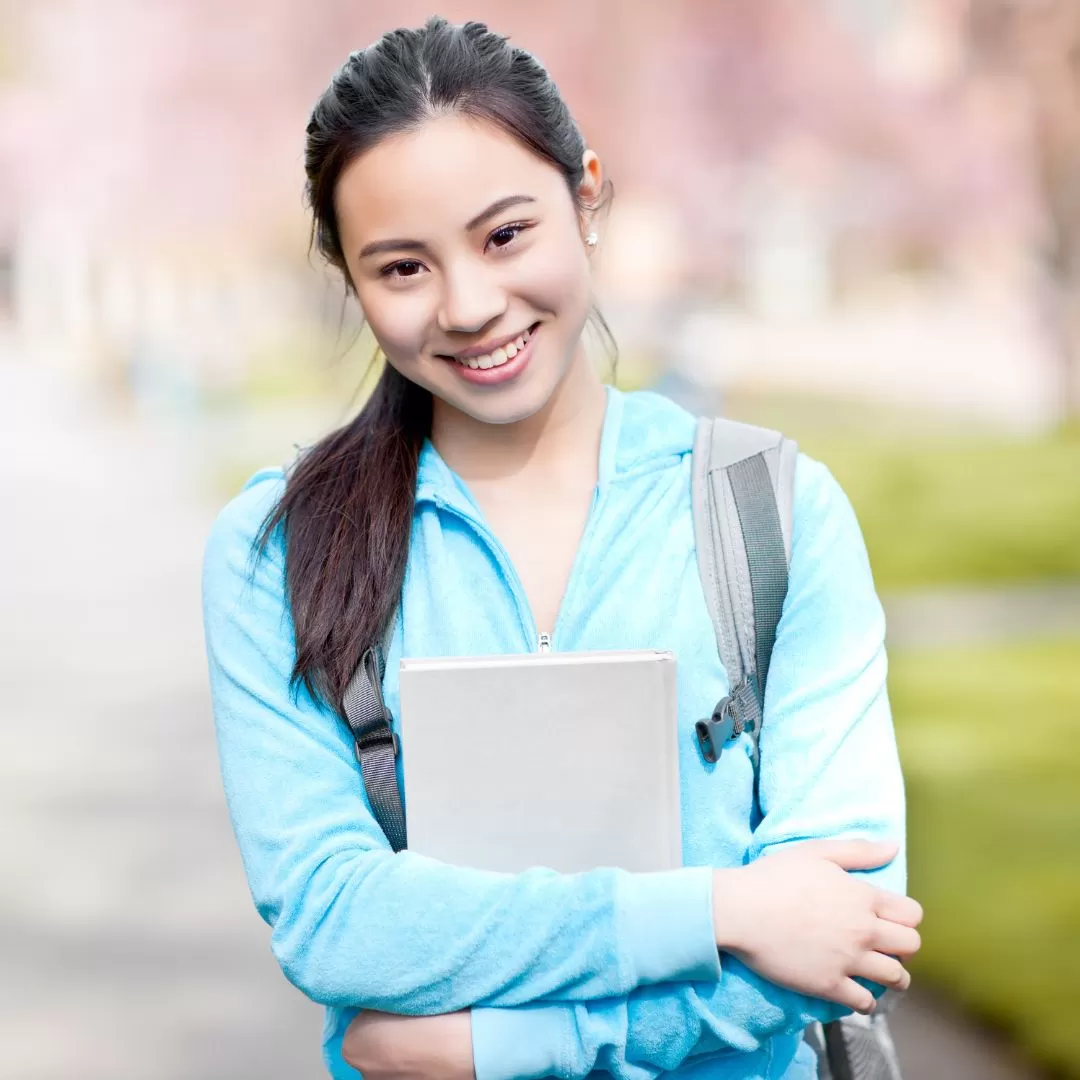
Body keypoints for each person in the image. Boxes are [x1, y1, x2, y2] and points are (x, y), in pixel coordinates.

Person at [202, 17, 923, 1080]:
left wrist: (509, 1046)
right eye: (402, 267)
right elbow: (335, 917)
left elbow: (843, 931)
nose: (470, 306)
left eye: (504, 236)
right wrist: (722, 907)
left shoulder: (770, 510)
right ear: (348, 279)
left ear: (586, 197)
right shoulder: (277, 553)